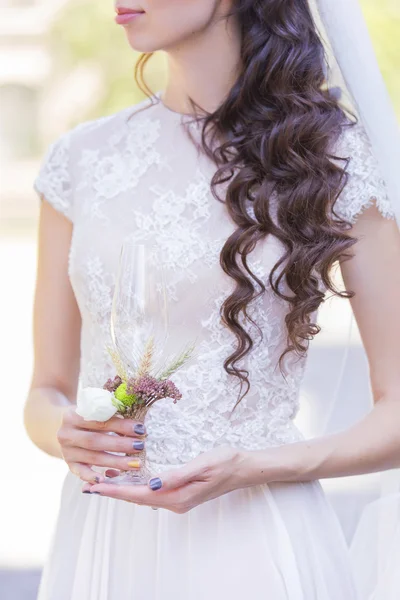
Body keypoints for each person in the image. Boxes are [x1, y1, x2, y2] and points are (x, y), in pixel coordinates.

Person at [24, 1, 400, 599]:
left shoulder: (332, 160)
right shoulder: (81, 161)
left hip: (251, 536)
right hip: (105, 534)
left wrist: (256, 465)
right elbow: (44, 391)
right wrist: (64, 432)